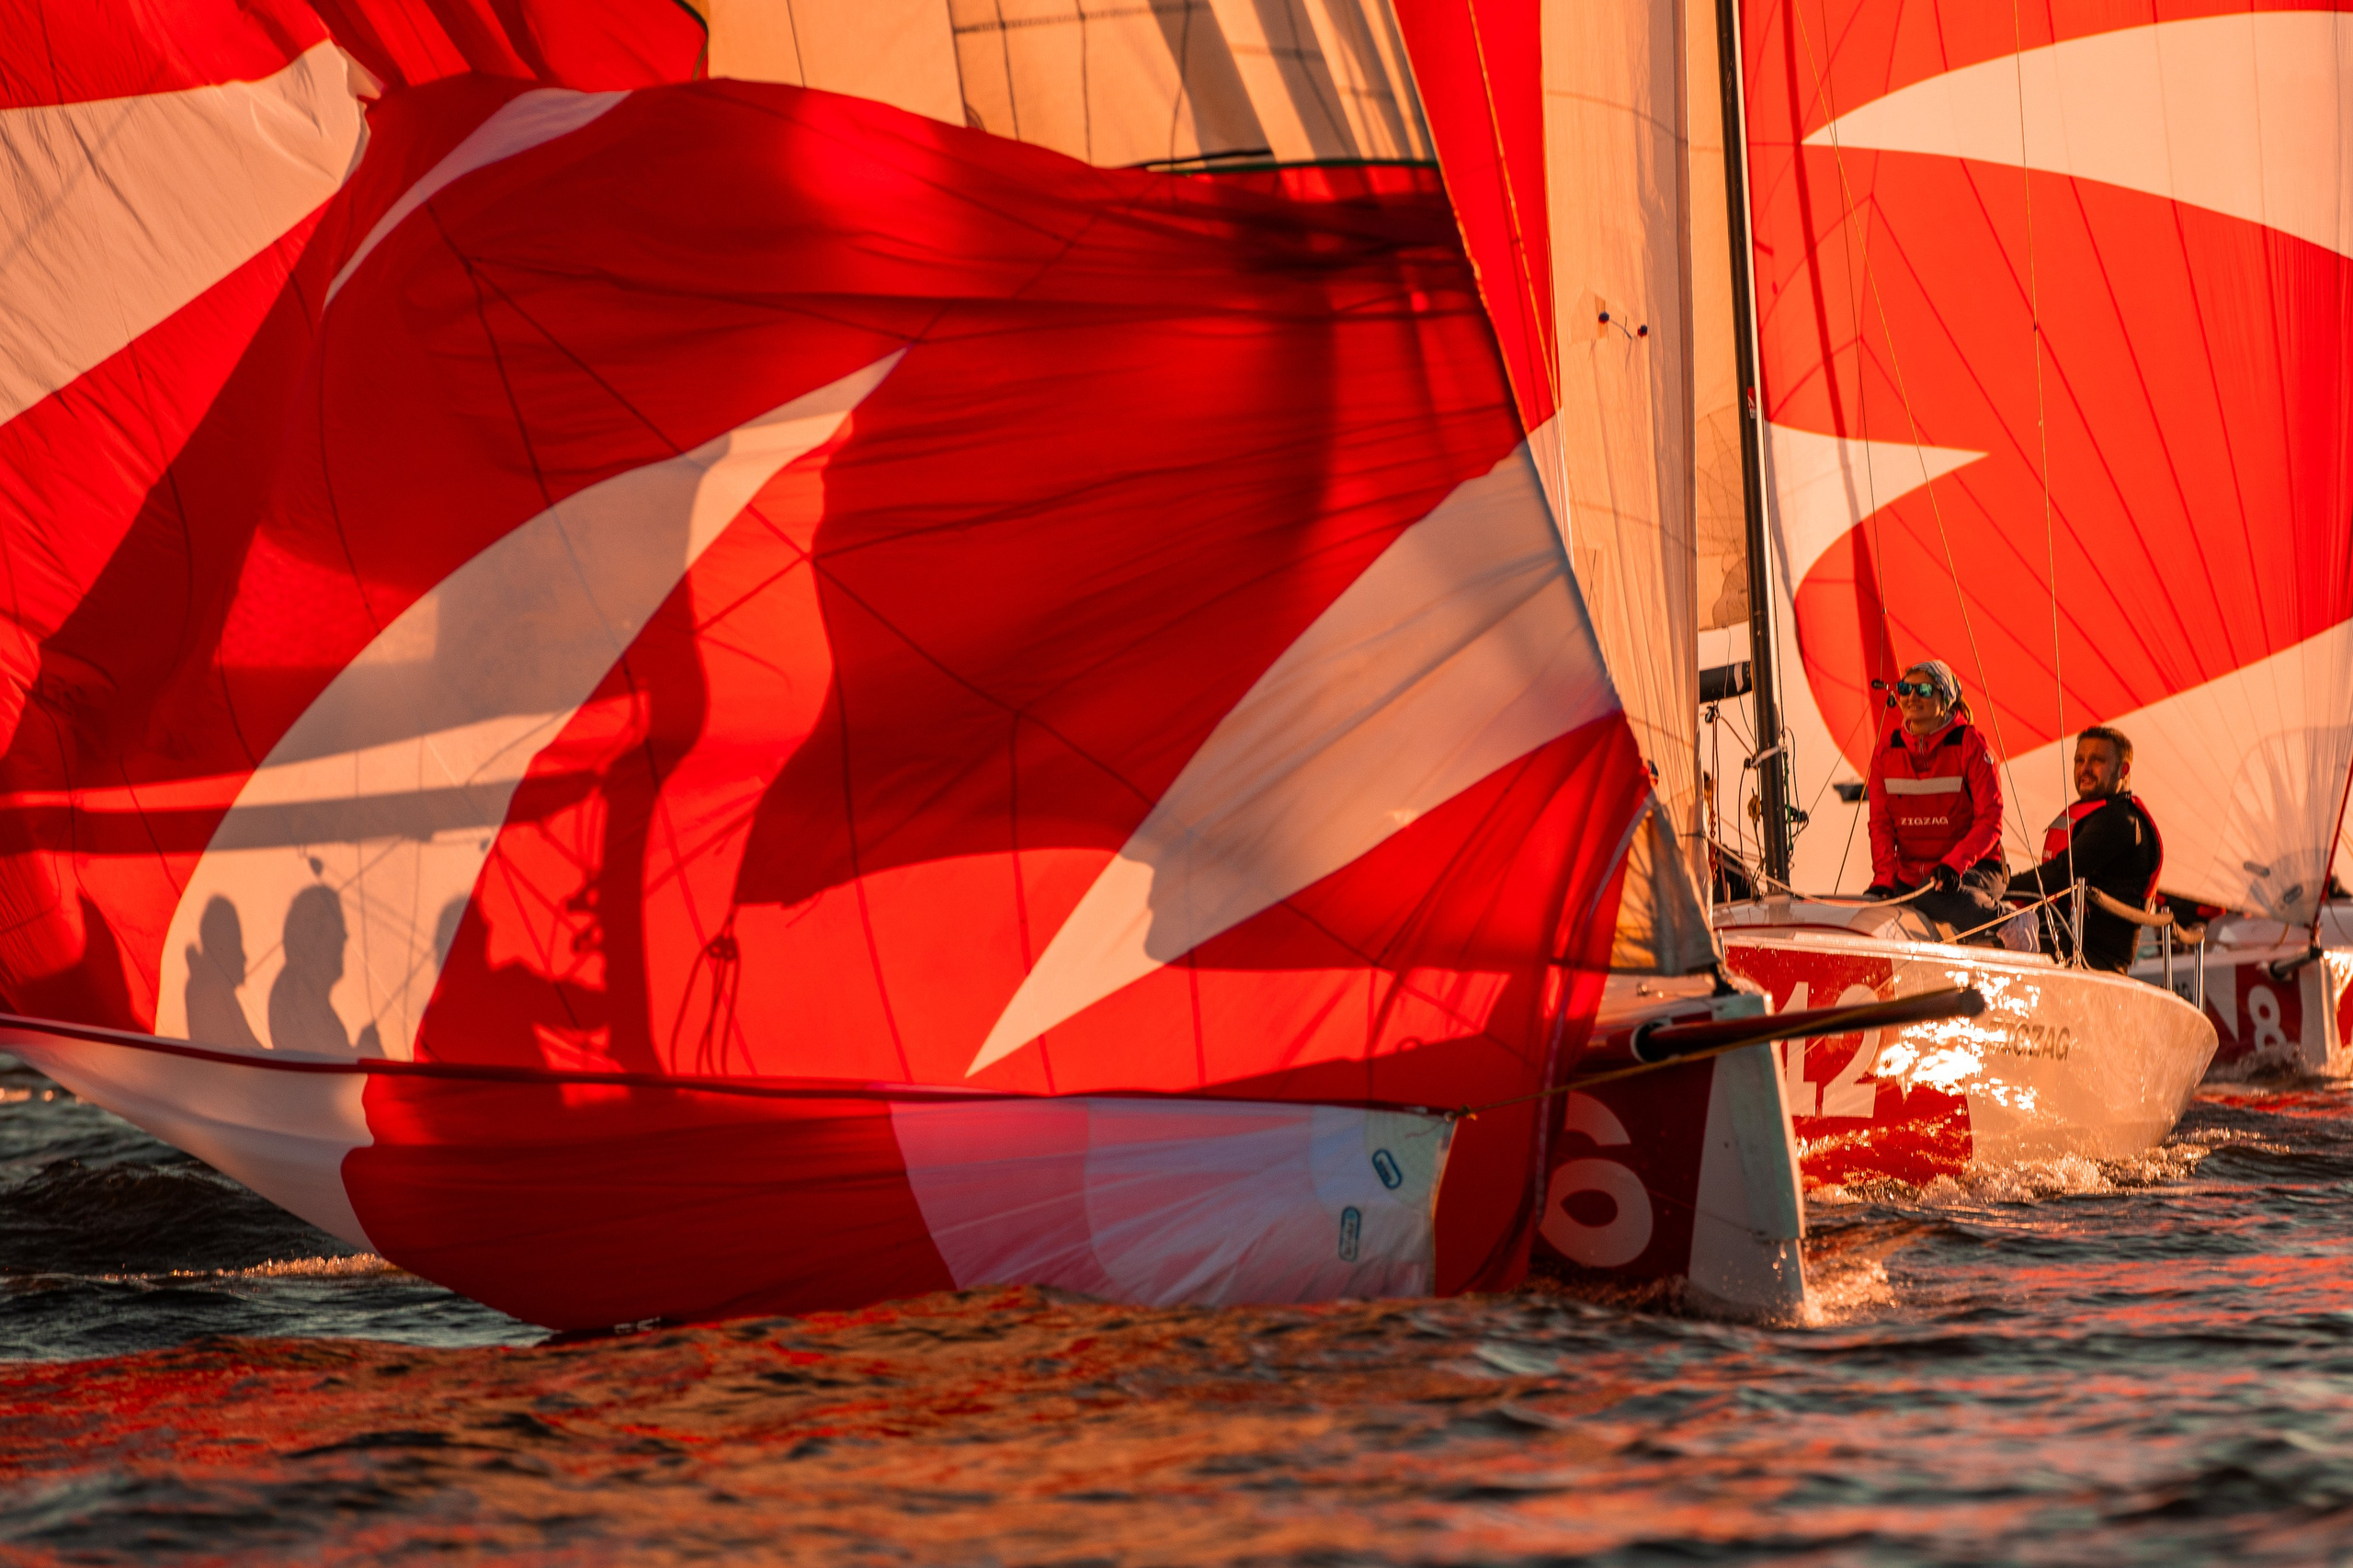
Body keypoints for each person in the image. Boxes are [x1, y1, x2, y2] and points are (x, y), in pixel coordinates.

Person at [1865, 659, 2008, 941]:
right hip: (1912, 878)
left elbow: (1990, 819)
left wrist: (1954, 864)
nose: (1912, 697)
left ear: (1946, 698)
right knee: (1875, 908)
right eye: (1905, 689)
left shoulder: (1970, 743)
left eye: (1924, 690)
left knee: (1929, 895)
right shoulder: (1886, 750)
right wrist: (1884, 881)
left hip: (1973, 868)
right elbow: (1880, 824)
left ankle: (2011, 921)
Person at [2003, 724, 2163, 971]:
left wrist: (1997, 888)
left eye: (2097, 760)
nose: (2085, 768)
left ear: (2124, 770)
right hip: (2060, 942)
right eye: (2080, 760)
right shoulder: (2101, 815)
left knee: (1978, 949)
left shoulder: (2121, 822)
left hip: (2089, 958)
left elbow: (2062, 872)